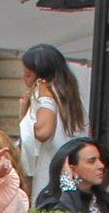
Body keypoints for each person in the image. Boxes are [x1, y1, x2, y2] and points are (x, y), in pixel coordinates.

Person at [17, 43, 86, 178]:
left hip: (50, 173)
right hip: (75, 170)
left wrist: (23, 114)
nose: (23, 78)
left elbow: (43, 132)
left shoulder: (43, 92)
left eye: (28, 74)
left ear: (41, 77)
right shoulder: (73, 98)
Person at [38, 137, 109, 213]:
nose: (101, 166)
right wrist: (68, 185)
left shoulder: (107, 203)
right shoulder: (51, 200)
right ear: (72, 169)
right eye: (92, 161)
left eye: (100, 159)